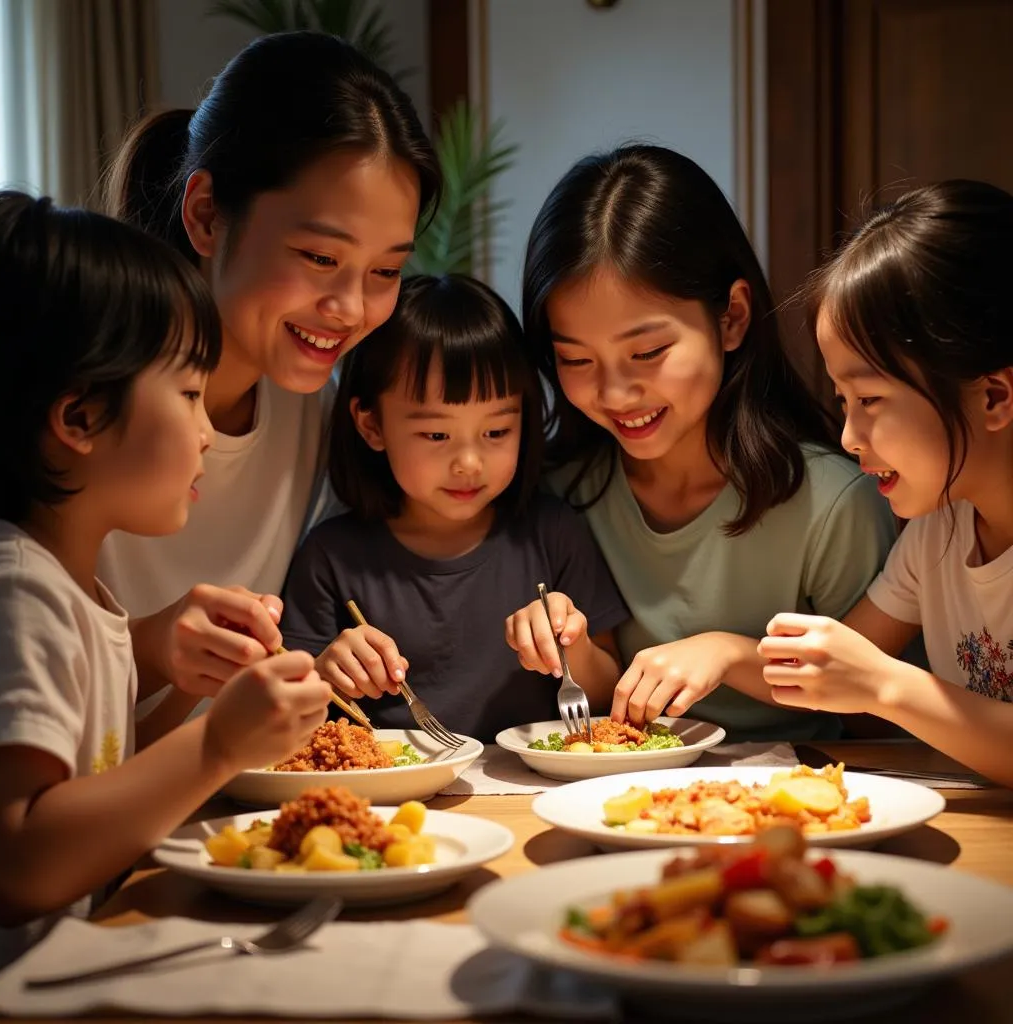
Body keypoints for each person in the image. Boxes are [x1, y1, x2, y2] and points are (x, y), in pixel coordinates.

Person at [0, 193, 332, 974]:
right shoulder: (17, 592)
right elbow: (19, 864)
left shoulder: (75, 591)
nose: (208, 430)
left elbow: (98, 788)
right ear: (78, 418)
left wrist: (185, 683)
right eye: (186, 395)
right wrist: (217, 743)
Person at [98, 31, 442, 711]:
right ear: (206, 215)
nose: (348, 308)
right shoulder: (85, 404)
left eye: (385, 271)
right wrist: (145, 643)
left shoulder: (309, 405)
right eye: (319, 257)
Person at [521, 144, 896, 743]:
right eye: (575, 358)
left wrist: (732, 653)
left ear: (732, 317)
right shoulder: (559, 494)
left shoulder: (831, 503)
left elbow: (886, 709)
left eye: (647, 352)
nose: (616, 393)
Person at [279, 275, 628, 742]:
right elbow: (286, 710)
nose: (469, 463)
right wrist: (327, 674)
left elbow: (608, 695)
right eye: (437, 435)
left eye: (497, 432)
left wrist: (573, 645)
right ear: (372, 424)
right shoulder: (331, 556)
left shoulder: (552, 531)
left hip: (529, 790)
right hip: (390, 798)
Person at [759, 180, 1013, 786]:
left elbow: (869, 674)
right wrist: (717, 649)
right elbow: (833, 662)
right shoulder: (939, 531)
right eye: (843, 399)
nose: (848, 436)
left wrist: (882, 685)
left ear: (994, 396)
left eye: (870, 398)